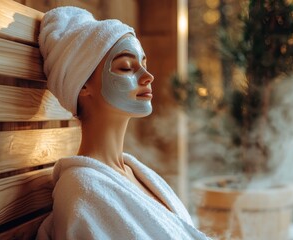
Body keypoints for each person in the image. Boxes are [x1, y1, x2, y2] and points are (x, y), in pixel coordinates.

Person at [36, 6, 210, 240]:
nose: (148, 76)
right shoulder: (82, 189)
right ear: (83, 85)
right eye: (126, 67)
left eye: (143, 64)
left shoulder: (135, 172)